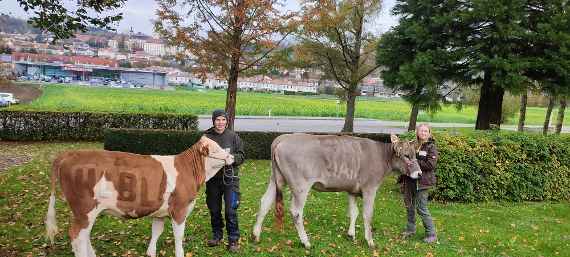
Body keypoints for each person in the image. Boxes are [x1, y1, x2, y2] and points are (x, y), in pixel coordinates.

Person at [204, 109, 245, 252]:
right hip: (212, 180)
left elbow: (241, 155)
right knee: (214, 209)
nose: (220, 122)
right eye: (217, 120)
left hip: (230, 179)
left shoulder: (233, 137)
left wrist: (232, 159)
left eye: (223, 119)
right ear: (213, 121)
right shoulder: (206, 137)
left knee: (230, 210)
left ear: (227, 121)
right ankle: (217, 235)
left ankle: (233, 239)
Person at [400, 123, 438, 243]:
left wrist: (415, 162)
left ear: (429, 133)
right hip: (409, 179)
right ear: (417, 132)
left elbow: (431, 165)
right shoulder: (412, 144)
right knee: (409, 206)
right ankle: (410, 229)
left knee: (421, 208)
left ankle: (431, 234)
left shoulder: (431, 147)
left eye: (426, 131)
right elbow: (403, 156)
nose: (423, 133)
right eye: (421, 131)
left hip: (422, 182)